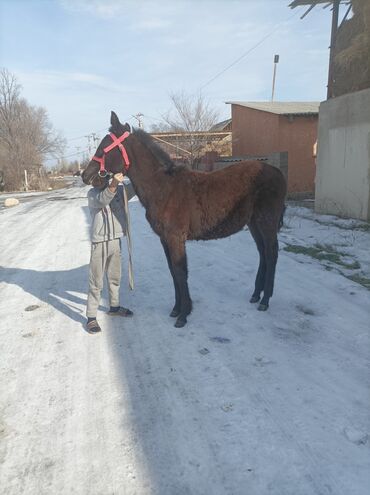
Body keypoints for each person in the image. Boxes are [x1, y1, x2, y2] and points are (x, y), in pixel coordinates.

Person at [86, 172, 133, 334]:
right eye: (94, 179)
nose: (96, 181)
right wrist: (113, 184)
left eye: (100, 177)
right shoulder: (92, 194)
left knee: (115, 277)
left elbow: (134, 189)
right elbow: (103, 200)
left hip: (116, 240)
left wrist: (132, 172)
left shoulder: (120, 191)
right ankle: (91, 316)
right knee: (96, 281)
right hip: (99, 242)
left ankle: (114, 306)